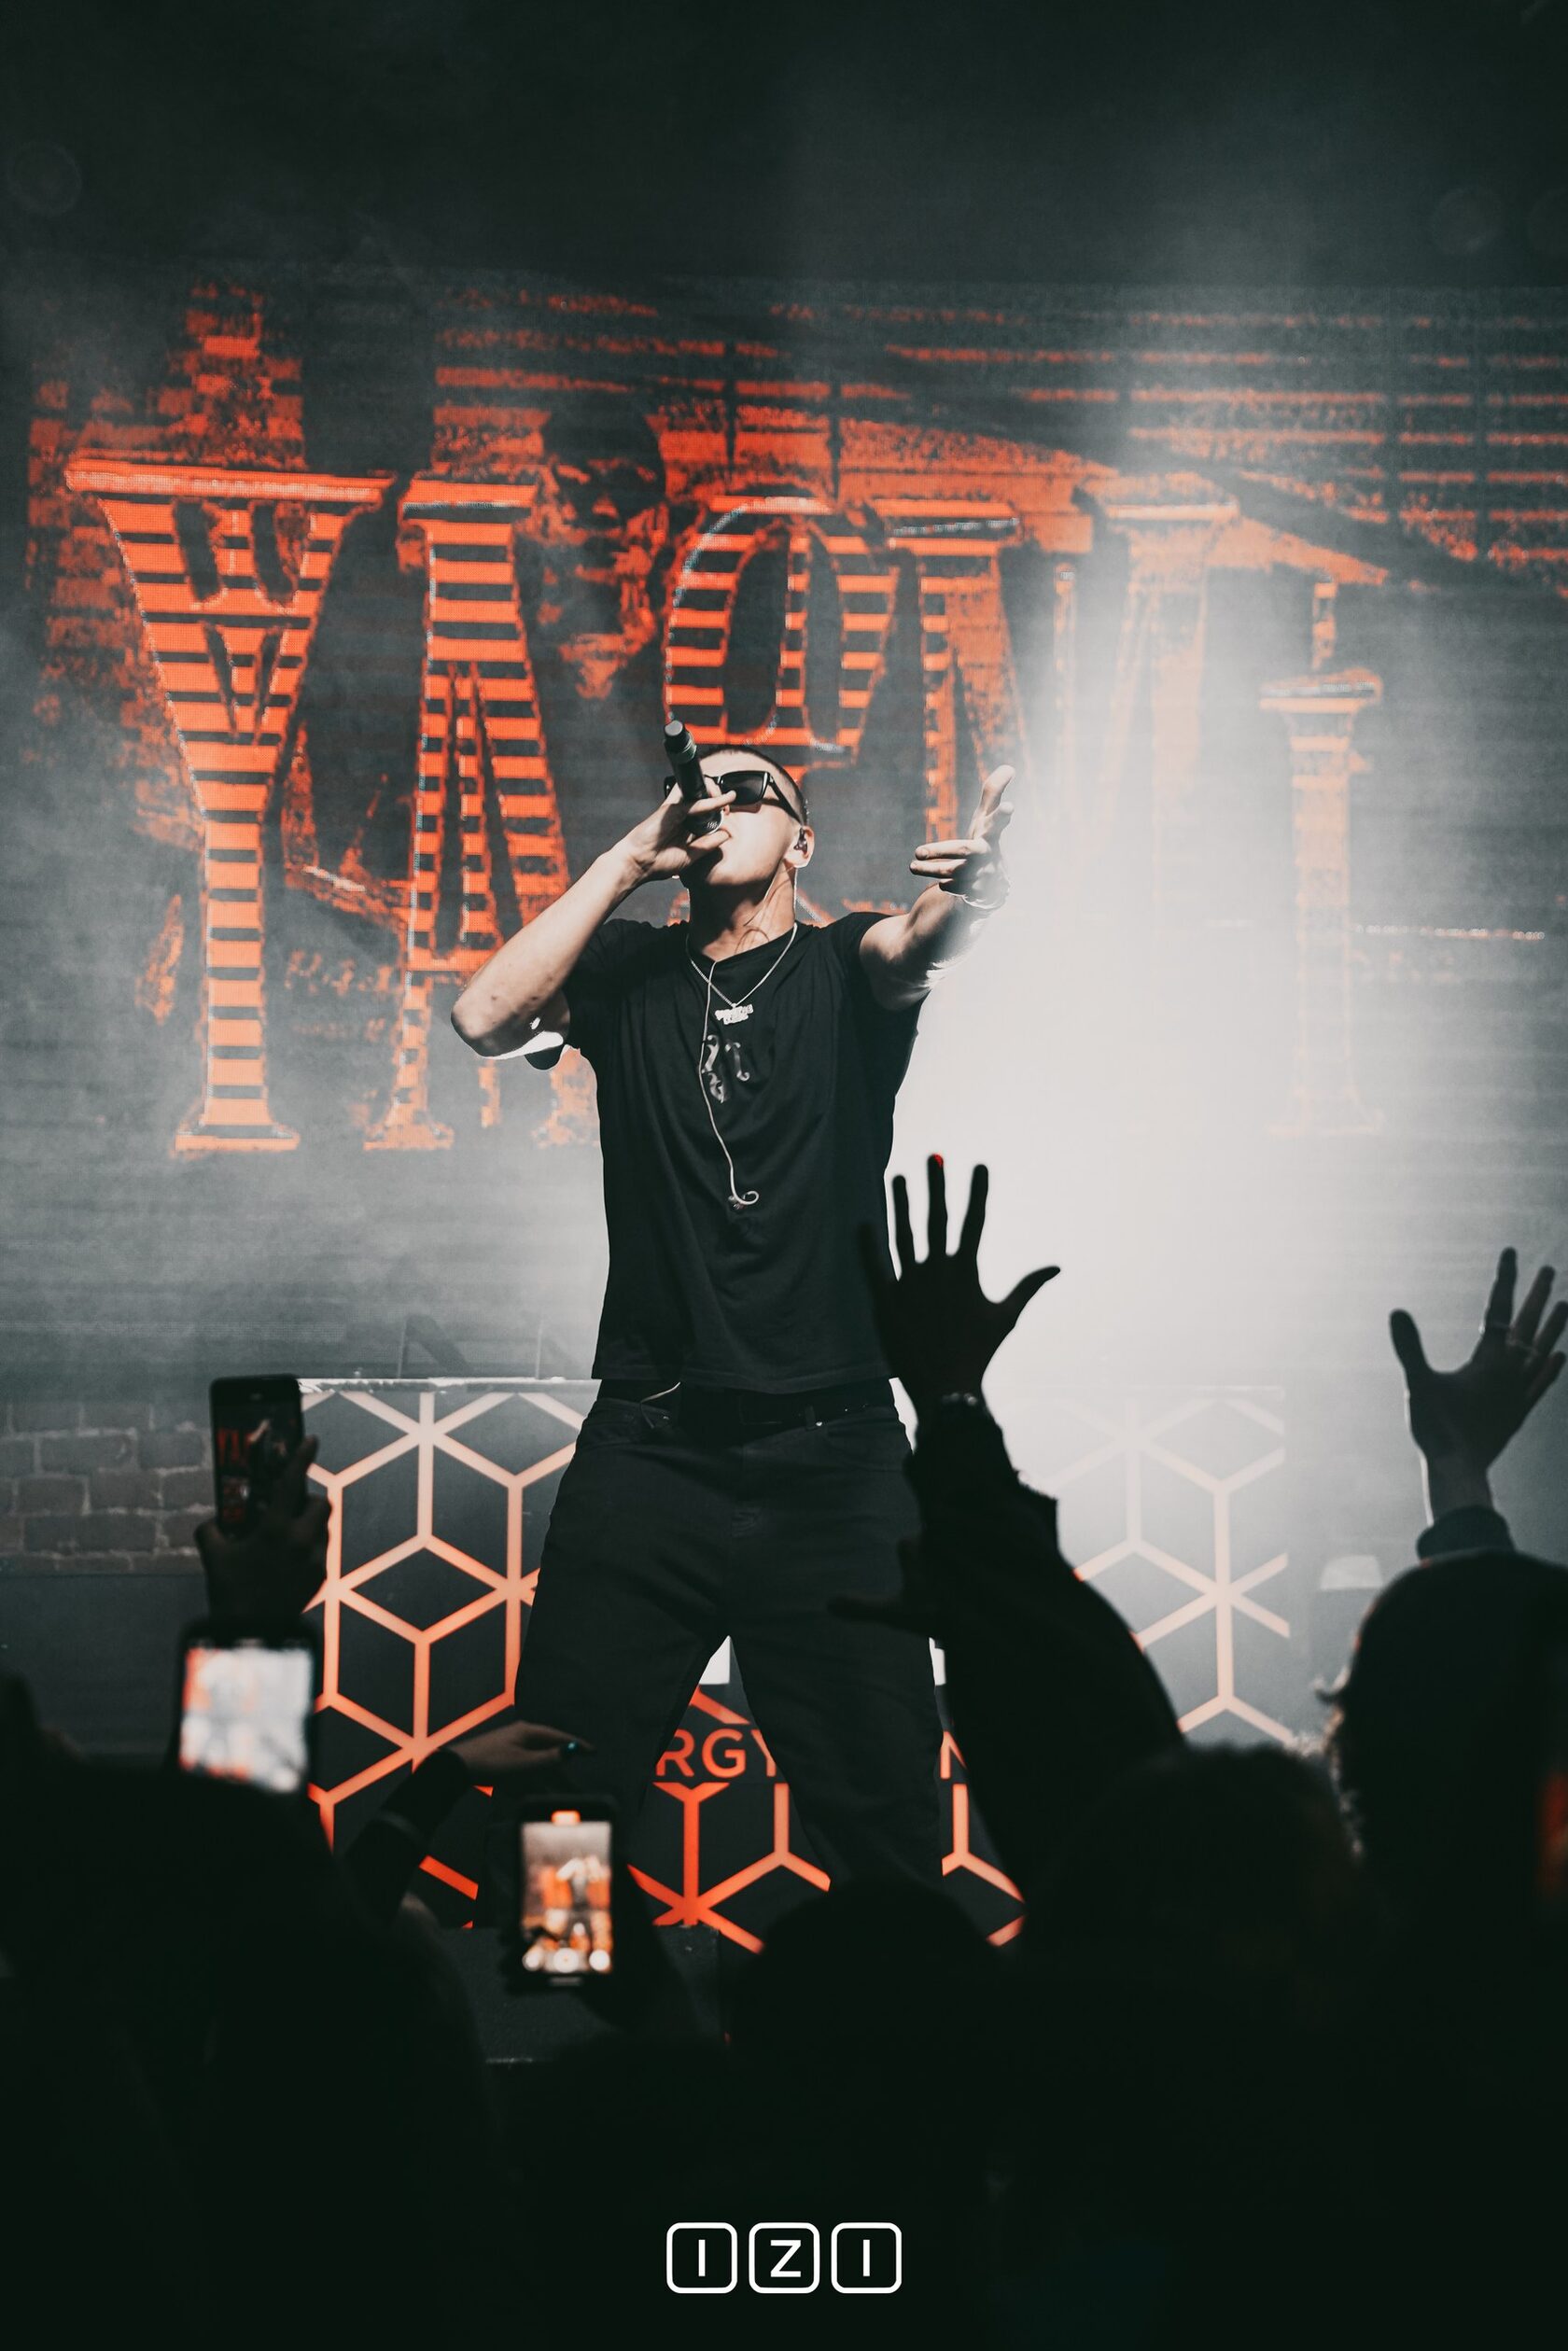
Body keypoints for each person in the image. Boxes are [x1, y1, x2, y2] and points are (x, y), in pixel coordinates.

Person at [450, 740, 1015, 1885]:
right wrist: (628, 857)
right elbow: (483, 1016)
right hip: (652, 1448)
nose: (722, 800)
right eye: (703, 788)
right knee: (562, 1810)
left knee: (886, 1820)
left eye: (755, 790)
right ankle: (576, 1989)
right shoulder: (627, 970)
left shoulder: (845, 962)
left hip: (834, 1454)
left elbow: (918, 942)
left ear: (801, 842)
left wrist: (979, 892)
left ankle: (890, 2000)